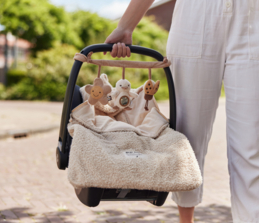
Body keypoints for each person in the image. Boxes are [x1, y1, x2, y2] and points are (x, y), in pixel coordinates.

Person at [104, 0, 259, 222]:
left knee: (251, 144)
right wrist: (126, 26)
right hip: (195, 19)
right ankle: (186, 220)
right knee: (188, 139)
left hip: (253, 19)